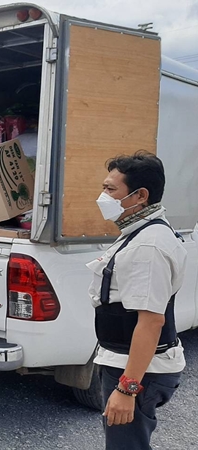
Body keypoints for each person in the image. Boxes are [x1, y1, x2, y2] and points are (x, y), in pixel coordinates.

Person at [88, 151, 186, 450]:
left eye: (110, 189)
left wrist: (128, 389)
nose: (103, 197)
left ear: (140, 195)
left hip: (137, 370)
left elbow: (152, 321)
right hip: (126, 362)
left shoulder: (148, 246)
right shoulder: (140, 232)